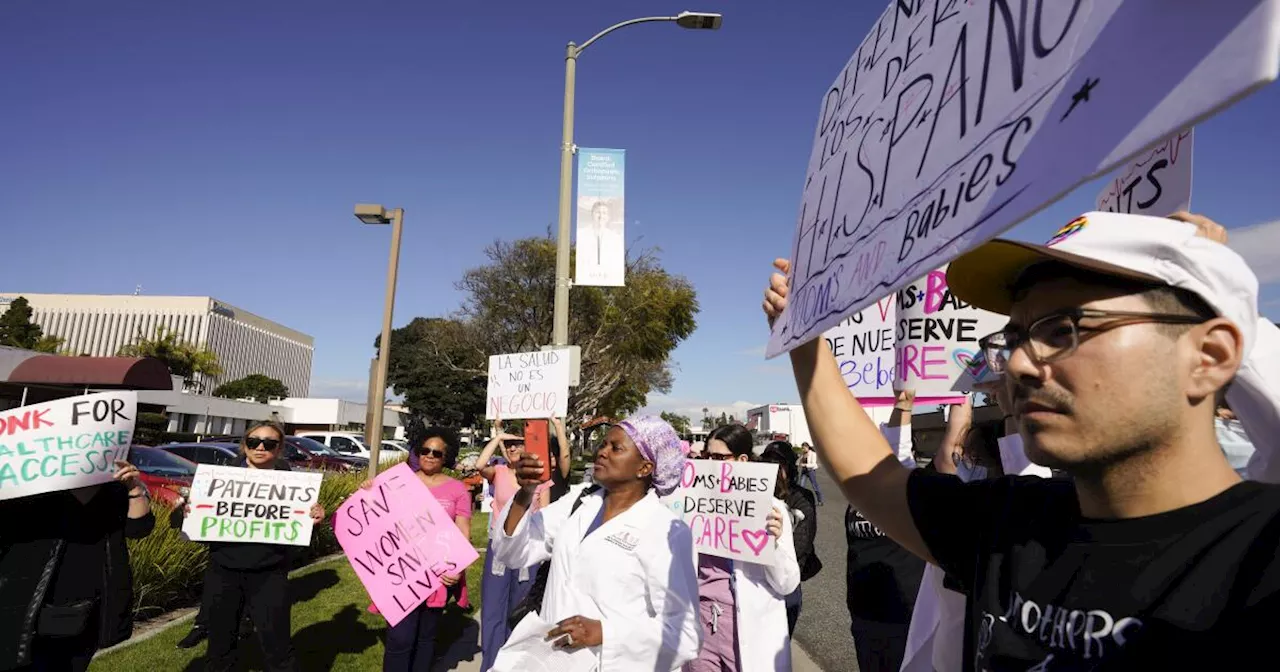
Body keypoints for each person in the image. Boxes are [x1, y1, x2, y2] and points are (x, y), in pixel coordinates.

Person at [761, 210, 1280, 667]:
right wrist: (803, 343)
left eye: (1063, 330)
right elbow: (870, 477)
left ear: (1208, 357)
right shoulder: (1013, 522)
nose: (1019, 364)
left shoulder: (1260, 558)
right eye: (1014, 337)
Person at [491, 416, 701, 671]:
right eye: (603, 444)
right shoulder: (579, 503)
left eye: (616, 448)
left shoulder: (665, 530)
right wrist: (526, 491)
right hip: (550, 660)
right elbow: (513, 552)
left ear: (644, 468)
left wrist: (605, 632)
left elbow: (685, 633)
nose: (602, 452)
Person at [170, 421, 324, 672]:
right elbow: (184, 525)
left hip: (270, 574)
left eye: (269, 443)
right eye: (254, 442)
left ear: (279, 448)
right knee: (219, 646)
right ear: (244, 445)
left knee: (278, 646)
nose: (260, 447)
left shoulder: (294, 484)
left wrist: (314, 520)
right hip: (224, 572)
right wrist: (184, 512)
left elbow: (301, 533)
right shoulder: (217, 478)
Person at [0, 458, 155, 671]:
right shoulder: (32, 480)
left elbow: (139, 528)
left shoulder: (114, 486)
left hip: (87, 611)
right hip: (30, 607)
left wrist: (134, 487)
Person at [686, 425, 800, 672]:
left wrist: (774, 544)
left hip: (747, 626)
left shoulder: (773, 510)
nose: (710, 464)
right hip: (700, 623)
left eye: (718, 458)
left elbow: (787, 584)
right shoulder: (694, 504)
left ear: (742, 460)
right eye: (707, 457)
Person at [365, 424, 471, 672]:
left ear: (447, 457)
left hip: (438, 573)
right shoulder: (397, 482)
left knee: (426, 637)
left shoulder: (457, 489)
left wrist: (456, 567)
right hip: (401, 571)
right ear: (417, 451)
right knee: (400, 637)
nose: (430, 456)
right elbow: (375, 517)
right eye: (425, 450)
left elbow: (463, 530)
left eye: (437, 453)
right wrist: (368, 494)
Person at [844, 390, 924, 672]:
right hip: (864, 614)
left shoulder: (912, 488)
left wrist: (903, 405)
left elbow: (898, 452)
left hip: (902, 614)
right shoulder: (861, 493)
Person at [474, 419, 550, 671]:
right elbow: (479, 464)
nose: (512, 448)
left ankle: (515, 663)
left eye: (517, 444)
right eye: (508, 445)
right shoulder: (499, 472)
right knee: (493, 607)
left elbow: (547, 514)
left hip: (528, 550)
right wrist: (497, 437)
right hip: (499, 549)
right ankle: (491, 663)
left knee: (520, 609)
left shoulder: (541, 479)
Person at [759, 441, 818, 636]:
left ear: (790, 468)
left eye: (779, 463)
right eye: (767, 461)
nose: (772, 467)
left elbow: (802, 542)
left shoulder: (802, 496)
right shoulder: (755, 494)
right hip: (758, 583)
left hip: (787, 581)